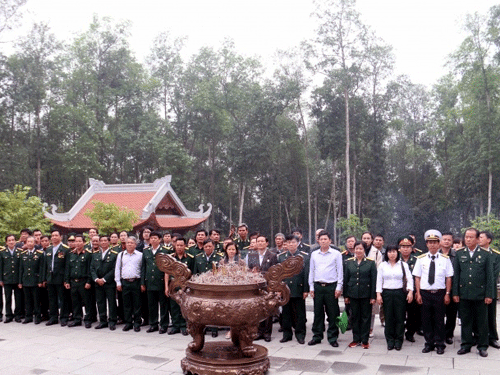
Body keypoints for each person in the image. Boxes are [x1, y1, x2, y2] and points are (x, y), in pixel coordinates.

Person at [453, 228, 495, 357]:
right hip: (464, 293)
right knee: (466, 320)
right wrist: (455, 293)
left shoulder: (486, 254)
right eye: (466, 237)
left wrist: (489, 294)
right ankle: (466, 345)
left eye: (471, 237)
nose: (468, 239)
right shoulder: (459, 253)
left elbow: (490, 276)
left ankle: (482, 346)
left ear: (477, 239)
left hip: (480, 295)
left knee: (482, 322)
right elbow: (456, 275)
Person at [413, 230, 454, 355]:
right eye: (430, 243)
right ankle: (429, 343)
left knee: (439, 319)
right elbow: (417, 277)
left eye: (435, 242)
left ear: (439, 244)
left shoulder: (445, 259)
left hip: (440, 293)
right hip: (425, 293)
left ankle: (440, 344)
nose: (432, 245)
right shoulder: (421, 259)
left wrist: (447, 293)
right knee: (426, 320)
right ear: (426, 244)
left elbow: (448, 277)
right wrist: (418, 293)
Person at [308, 230, 343, 347]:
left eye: (325, 239)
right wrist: (311, 287)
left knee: (333, 313)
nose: (323, 241)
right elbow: (311, 271)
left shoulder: (336, 254)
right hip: (318, 286)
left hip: (331, 287)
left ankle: (333, 337)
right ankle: (317, 336)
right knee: (318, 313)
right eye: (321, 239)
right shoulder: (314, 254)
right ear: (318, 240)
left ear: (330, 241)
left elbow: (340, 271)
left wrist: (339, 287)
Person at [376, 245, 413, 351]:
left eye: (394, 252)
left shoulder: (403, 265)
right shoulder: (383, 265)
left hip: (399, 293)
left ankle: (398, 340)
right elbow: (379, 280)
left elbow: (409, 279)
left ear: (398, 253)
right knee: (388, 317)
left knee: (400, 317)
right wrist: (378, 294)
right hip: (386, 293)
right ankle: (390, 340)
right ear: (386, 253)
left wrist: (410, 292)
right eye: (390, 252)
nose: (392, 254)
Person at [344, 241, 376, 349]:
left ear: (364, 250)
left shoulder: (370, 263)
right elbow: (346, 279)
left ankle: (365, 340)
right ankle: (355, 339)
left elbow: (373, 281)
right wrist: (346, 296)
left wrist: (373, 296)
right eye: (356, 249)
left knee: (366, 317)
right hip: (353, 294)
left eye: (360, 249)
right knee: (354, 317)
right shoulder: (349, 262)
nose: (358, 251)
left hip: (366, 295)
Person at [278, 234, 310, 344]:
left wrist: (306, 289)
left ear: (297, 244)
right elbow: (279, 275)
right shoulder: (281, 257)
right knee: (286, 313)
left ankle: (300, 334)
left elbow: (306, 274)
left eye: (293, 242)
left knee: (300, 314)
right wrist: (279, 289)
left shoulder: (304, 256)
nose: (291, 244)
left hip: (299, 288)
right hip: (286, 289)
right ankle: (287, 334)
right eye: (289, 242)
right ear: (286, 244)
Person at [248, 235, 278, 342]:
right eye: (258, 241)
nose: (260, 243)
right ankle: (259, 332)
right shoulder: (252, 255)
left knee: (268, 309)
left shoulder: (273, 255)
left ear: (267, 243)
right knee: (258, 309)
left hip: (268, 285)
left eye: (262, 241)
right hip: (256, 286)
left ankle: (267, 333)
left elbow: (274, 272)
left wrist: (261, 273)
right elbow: (249, 269)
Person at [141, 231, 170, 334]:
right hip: (150, 282)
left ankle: (164, 325)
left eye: (155, 238)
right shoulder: (146, 251)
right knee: (151, 305)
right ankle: (153, 324)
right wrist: (142, 282)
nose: (153, 240)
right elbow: (143, 267)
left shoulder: (165, 251)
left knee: (163, 305)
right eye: (151, 238)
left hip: (161, 282)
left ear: (160, 239)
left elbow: (168, 268)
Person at [166, 237, 193, 335]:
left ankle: (183, 326)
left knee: (183, 307)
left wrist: (187, 287)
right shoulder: (171, 258)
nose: (179, 247)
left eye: (181, 245)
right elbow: (167, 273)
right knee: (173, 307)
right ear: (175, 246)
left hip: (185, 287)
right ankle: (175, 326)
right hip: (173, 286)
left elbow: (192, 274)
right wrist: (166, 287)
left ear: (185, 246)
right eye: (177, 245)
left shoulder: (190, 258)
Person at [90, 235, 118, 330]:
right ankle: (102, 321)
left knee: (111, 302)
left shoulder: (114, 254)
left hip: (109, 282)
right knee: (100, 302)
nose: (103, 242)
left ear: (109, 242)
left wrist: (104, 279)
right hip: (98, 283)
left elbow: (114, 269)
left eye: (105, 240)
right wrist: (96, 279)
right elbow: (92, 268)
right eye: (101, 241)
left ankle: (112, 321)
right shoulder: (95, 254)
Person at [43, 229, 70, 326]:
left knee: (63, 299)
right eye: (52, 235)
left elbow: (67, 266)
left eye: (56, 235)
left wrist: (66, 280)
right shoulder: (49, 249)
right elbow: (45, 265)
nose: (54, 237)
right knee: (52, 298)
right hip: (50, 278)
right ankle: (53, 317)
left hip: (61, 278)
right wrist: (44, 279)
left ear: (60, 237)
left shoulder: (65, 249)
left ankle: (64, 317)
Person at [115, 236, 143, 332]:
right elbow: (117, 269)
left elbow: (142, 270)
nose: (129, 244)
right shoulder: (121, 255)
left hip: (136, 282)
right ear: (125, 244)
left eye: (132, 243)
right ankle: (128, 323)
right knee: (126, 304)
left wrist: (142, 283)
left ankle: (137, 323)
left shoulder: (140, 255)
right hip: (125, 282)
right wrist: (118, 282)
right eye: (128, 243)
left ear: (135, 245)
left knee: (137, 303)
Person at [64, 234, 93, 328]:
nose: (78, 243)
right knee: (75, 302)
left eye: (80, 241)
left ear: (84, 242)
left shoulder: (88, 254)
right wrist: (67, 281)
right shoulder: (70, 254)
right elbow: (67, 268)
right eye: (76, 241)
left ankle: (88, 319)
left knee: (87, 302)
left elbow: (90, 269)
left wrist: (89, 281)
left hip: (83, 281)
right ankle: (77, 319)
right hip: (73, 282)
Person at [478, 231, 500, 349]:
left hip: (490, 289)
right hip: (476, 290)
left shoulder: (495, 255)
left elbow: (493, 275)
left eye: (481, 237)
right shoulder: (475, 253)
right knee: (477, 315)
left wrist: (489, 292)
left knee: (491, 315)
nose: (479, 239)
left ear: (489, 240)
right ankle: (477, 336)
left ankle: (492, 338)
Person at [19, 236, 44, 324]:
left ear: (34, 243)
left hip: (35, 280)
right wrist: (20, 282)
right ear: (26, 243)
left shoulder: (39, 254)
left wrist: (40, 280)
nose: (29, 243)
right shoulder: (23, 254)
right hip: (25, 280)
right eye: (28, 242)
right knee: (27, 300)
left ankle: (37, 317)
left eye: (31, 242)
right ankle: (28, 316)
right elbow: (21, 269)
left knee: (36, 300)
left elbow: (41, 268)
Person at [399, 236, 420, 342]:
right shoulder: (395, 259)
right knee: (399, 314)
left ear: (412, 248)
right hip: (399, 291)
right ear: (399, 248)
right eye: (403, 246)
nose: (405, 249)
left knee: (413, 314)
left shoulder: (417, 260)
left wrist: (418, 292)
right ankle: (399, 333)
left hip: (413, 291)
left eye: (408, 246)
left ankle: (410, 333)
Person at [440, 231, 458, 345]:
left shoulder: (457, 255)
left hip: (452, 289)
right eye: (444, 239)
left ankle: (449, 334)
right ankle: (439, 333)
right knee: (438, 313)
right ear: (440, 241)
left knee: (452, 314)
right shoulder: (435, 253)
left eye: (449, 240)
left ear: (452, 242)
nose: (446, 241)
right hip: (438, 288)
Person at [0, 234, 23, 323]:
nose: (11, 242)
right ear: (6, 242)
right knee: (8, 298)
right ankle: (8, 315)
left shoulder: (20, 252)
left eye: (13, 240)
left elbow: (21, 268)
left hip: (17, 279)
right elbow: (1, 267)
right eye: (9, 240)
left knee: (18, 298)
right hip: (7, 279)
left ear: (15, 241)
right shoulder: (2, 252)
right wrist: (1, 279)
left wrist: (20, 280)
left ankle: (17, 315)